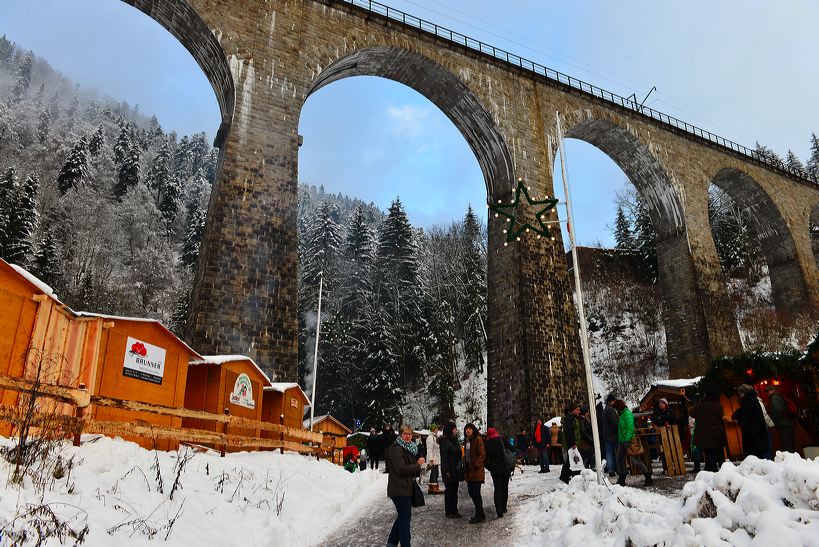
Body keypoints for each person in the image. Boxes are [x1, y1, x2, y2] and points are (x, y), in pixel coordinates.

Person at [386, 424, 424, 547]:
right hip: (399, 489)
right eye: (405, 433)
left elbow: (408, 467)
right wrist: (418, 465)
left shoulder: (408, 448)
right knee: (404, 519)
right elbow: (401, 469)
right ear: (400, 434)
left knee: (403, 517)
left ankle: (391, 543)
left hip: (405, 488)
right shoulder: (397, 448)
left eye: (409, 434)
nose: (408, 436)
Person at [613, 399, 652, 487]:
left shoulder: (627, 414)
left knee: (635, 460)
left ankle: (648, 476)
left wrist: (627, 440)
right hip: (622, 441)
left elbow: (630, 429)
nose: (616, 410)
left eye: (616, 408)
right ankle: (622, 478)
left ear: (619, 408)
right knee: (619, 459)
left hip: (629, 440)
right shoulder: (622, 414)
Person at [689, 385, 727, 472]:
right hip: (718, 434)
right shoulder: (719, 405)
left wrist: (699, 402)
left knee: (710, 459)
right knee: (720, 457)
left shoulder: (702, 406)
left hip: (706, 436)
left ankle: (711, 477)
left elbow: (692, 413)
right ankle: (725, 473)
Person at [731, 384, 768, 459]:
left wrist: (739, 421)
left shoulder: (747, 401)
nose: (739, 395)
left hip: (752, 431)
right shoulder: (753, 399)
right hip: (757, 431)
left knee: (753, 454)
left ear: (744, 392)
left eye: (740, 393)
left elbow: (747, 415)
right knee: (758, 453)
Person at [484, 427, 510, 518]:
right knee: (504, 488)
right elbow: (511, 447)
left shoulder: (486, 443)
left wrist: (490, 467)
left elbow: (485, 459)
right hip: (504, 466)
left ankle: (498, 510)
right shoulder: (500, 439)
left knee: (497, 489)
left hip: (495, 469)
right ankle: (504, 507)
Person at [439, 421, 463, 519]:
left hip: (455, 469)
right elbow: (444, 458)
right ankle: (449, 511)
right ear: (450, 430)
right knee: (450, 491)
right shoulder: (445, 442)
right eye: (454, 429)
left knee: (454, 490)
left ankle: (454, 510)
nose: (456, 430)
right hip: (449, 470)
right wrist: (447, 471)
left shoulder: (454, 440)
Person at [463, 423, 486, 524]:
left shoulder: (478, 439)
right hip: (469, 471)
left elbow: (482, 454)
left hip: (476, 471)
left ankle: (479, 515)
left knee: (476, 494)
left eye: (470, 429)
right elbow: (466, 455)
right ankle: (481, 514)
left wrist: (476, 464)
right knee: (472, 493)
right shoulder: (467, 441)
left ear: (473, 430)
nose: (468, 431)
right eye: (466, 429)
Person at [766, 386, 795, 453]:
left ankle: (789, 461)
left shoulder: (774, 398)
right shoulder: (779, 396)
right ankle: (792, 459)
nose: (767, 393)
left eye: (768, 391)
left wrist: (774, 421)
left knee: (786, 445)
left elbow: (778, 410)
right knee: (789, 443)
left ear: (772, 390)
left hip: (783, 424)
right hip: (787, 422)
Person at [559, 402, 583, 484]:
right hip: (571, 444)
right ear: (572, 410)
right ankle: (566, 477)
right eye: (577, 410)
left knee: (571, 461)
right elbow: (569, 432)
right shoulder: (570, 419)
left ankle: (565, 477)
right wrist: (572, 443)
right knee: (572, 461)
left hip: (572, 443)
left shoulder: (574, 418)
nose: (579, 411)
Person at [602, 394, 620, 477]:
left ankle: (610, 470)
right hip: (613, 435)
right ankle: (618, 469)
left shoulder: (605, 409)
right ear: (610, 401)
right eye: (613, 401)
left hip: (606, 435)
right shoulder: (611, 410)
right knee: (616, 452)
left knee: (608, 453)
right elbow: (614, 423)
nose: (614, 402)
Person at [425, 425, 441, 494]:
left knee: (434, 473)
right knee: (434, 473)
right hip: (433, 459)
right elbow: (429, 449)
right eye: (436, 429)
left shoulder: (435, 437)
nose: (437, 430)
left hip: (436, 458)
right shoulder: (430, 437)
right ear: (433, 429)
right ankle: (434, 489)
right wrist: (431, 459)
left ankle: (431, 488)